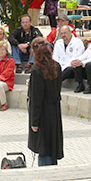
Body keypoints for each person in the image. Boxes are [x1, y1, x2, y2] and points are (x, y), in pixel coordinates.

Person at [28, 37, 63, 166]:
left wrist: (34, 122)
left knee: (43, 149)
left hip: (42, 114)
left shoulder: (37, 70)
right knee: (52, 146)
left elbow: (37, 99)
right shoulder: (57, 66)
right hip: (54, 111)